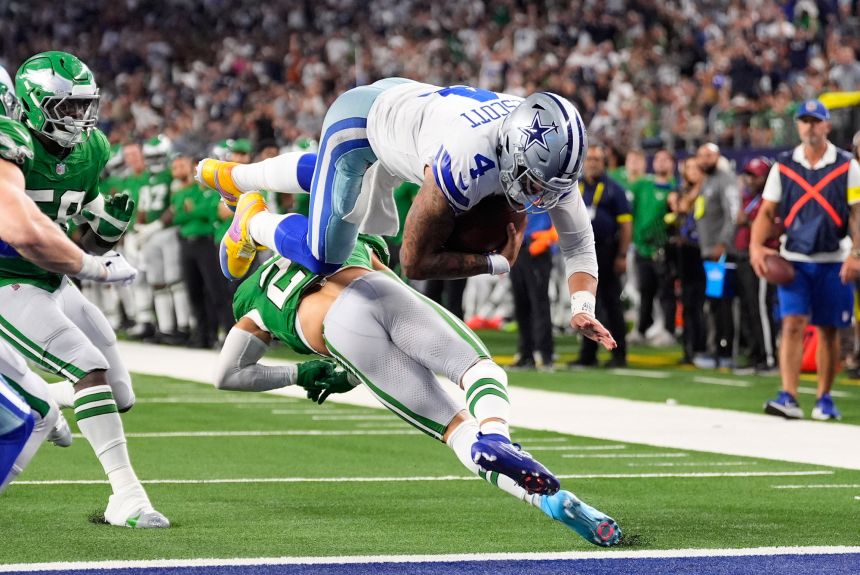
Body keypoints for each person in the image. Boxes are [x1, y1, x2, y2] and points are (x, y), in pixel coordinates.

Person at [213, 210, 621, 547]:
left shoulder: (253, 298)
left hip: (338, 335)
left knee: (456, 430)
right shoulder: (318, 233)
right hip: (373, 289)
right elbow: (388, 279)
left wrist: (301, 373)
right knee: (478, 370)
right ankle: (496, 433)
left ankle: (550, 502)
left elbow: (228, 374)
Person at [197, 79, 616, 350]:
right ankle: (252, 220)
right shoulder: (467, 161)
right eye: (533, 181)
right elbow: (414, 262)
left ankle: (236, 176)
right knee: (327, 256)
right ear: (511, 149)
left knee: (338, 192)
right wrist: (495, 262)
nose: (541, 195)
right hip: (362, 124)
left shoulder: (547, 157)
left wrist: (583, 305)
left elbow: (579, 241)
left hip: (411, 109)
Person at [0, 52, 168, 527]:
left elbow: (76, 219)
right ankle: (127, 496)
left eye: (83, 106)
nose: (78, 117)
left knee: (120, 393)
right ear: (30, 106)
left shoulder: (92, 147)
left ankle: (46, 392)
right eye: (64, 107)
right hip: (8, 280)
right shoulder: (12, 146)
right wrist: (94, 264)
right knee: (87, 365)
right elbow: (28, 232)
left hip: (54, 277)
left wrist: (105, 232)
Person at [751, 100, 860, 420]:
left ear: (827, 126)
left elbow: (857, 214)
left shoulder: (847, 166)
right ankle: (789, 396)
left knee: (829, 329)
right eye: (805, 121)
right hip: (794, 258)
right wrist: (756, 246)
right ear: (798, 126)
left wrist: (856, 253)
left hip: (834, 257)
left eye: (816, 121)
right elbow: (766, 211)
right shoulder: (784, 165)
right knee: (792, 324)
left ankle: (824, 398)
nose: (810, 127)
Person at [570, 145, 632, 368]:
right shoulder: (575, 187)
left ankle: (619, 354)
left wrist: (622, 254)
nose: (593, 163)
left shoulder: (614, 189)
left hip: (607, 251)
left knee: (612, 303)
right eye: (589, 159)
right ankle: (588, 355)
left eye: (597, 159)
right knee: (586, 304)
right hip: (582, 252)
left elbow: (626, 225)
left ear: (604, 163)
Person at [695, 143, 740, 368]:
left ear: (718, 156)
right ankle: (716, 350)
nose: (705, 159)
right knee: (713, 302)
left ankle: (725, 351)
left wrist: (723, 243)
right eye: (701, 156)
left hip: (720, 253)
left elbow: (733, 213)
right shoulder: (706, 181)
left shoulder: (725, 179)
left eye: (709, 155)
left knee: (723, 303)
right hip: (708, 251)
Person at [629, 149, 677, 346]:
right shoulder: (642, 185)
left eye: (666, 159)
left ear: (672, 164)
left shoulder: (676, 188)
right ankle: (642, 328)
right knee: (645, 290)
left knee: (666, 291)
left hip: (664, 248)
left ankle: (668, 330)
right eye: (658, 158)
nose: (661, 162)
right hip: (641, 246)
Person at [734, 157, 777, 373]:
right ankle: (754, 354)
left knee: (761, 308)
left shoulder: (771, 200)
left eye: (755, 176)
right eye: (748, 175)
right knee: (747, 307)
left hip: (762, 257)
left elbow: (776, 228)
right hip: (743, 255)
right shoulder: (746, 198)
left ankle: (769, 357)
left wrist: (748, 222)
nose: (750, 180)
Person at [509, 211, 557, 371]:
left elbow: (564, 215)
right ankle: (526, 353)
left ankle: (544, 353)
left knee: (539, 303)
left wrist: (548, 238)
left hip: (538, 247)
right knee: (521, 303)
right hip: (517, 247)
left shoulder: (547, 195)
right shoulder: (516, 195)